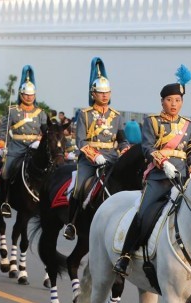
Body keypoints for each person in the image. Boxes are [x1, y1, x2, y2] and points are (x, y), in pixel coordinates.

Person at [113, 65, 191, 276]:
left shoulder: (187, 124)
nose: (174, 104)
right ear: (162, 101)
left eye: (178, 100)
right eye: (170, 100)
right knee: (143, 212)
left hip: (181, 178)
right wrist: (164, 163)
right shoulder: (152, 121)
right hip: (159, 177)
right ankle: (125, 255)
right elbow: (147, 148)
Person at [63, 57, 127, 240]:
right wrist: (94, 155)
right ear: (93, 94)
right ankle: (72, 223)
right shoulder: (84, 115)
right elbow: (81, 141)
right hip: (90, 160)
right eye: (100, 92)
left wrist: (124, 150)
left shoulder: (116, 116)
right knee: (78, 186)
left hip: (111, 157)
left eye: (107, 92)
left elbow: (121, 139)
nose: (104, 95)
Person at [0, 65, 50, 218]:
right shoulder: (12, 111)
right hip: (16, 147)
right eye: (26, 95)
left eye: (31, 95)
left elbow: (46, 132)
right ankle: (5, 200)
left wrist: (42, 142)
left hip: (34, 147)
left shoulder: (40, 113)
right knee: (6, 171)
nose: (29, 97)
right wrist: (1, 146)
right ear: (21, 94)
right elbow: (2, 131)